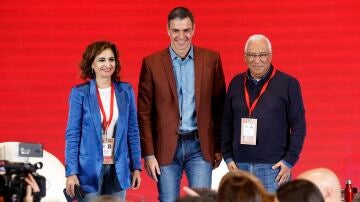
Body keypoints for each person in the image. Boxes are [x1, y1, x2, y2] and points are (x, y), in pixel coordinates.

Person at [137, 6, 226, 202]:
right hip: (166, 147)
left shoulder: (212, 59)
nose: (181, 36)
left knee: (202, 200)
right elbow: (144, 113)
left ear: (193, 29)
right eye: (176, 30)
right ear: (167, 30)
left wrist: (219, 147)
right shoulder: (151, 63)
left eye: (186, 30)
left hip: (200, 146)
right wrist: (149, 154)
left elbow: (220, 108)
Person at [221, 34, 306, 192]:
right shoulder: (235, 83)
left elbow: (299, 126)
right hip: (240, 167)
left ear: (270, 55)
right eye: (252, 55)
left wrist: (289, 161)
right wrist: (227, 156)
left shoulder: (288, 84)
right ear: (245, 57)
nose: (257, 60)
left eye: (262, 54)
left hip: (273, 168)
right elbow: (226, 123)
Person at [65, 41, 141, 201]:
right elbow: (72, 135)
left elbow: (133, 132)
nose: (108, 64)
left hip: (118, 170)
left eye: (111, 59)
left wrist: (136, 167)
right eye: (102, 60)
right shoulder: (80, 93)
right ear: (91, 64)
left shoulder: (126, 91)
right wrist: (71, 172)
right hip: (88, 171)